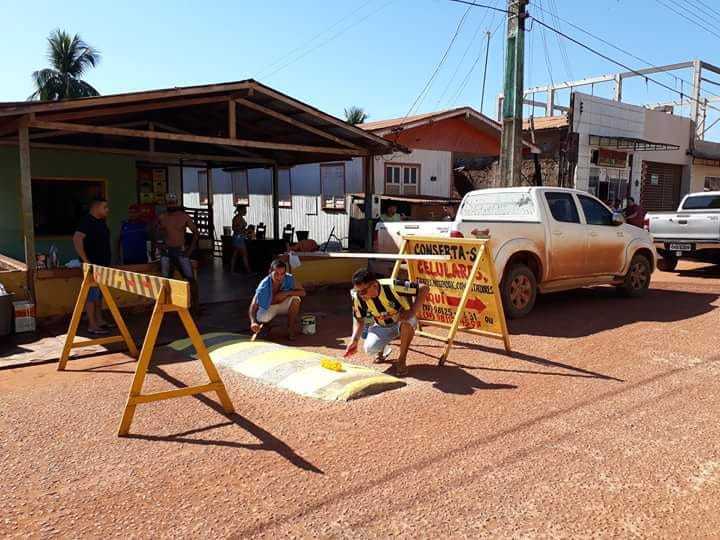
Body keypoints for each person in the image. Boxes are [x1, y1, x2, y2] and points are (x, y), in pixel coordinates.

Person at [344, 268, 429, 377]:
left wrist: (412, 311)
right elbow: (359, 318)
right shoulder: (358, 297)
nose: (361, 295)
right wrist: (354, 340)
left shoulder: (393, 285)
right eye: (358, 291)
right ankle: (384, 348)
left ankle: (402, 359)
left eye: (363, 291)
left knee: (407, 322)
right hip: (381, 325)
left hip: (401, 322)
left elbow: (424, 288)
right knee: (369, 349)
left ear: (374, 285)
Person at [73, 197, 113, 336]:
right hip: (92, 265)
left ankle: (100, 319)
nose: (107, 210)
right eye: (105, 207)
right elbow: (77, 239)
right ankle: (92, 324)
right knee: (91, 295)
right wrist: (85, 260)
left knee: (99, 295)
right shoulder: (87, 221)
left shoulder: (101, 221)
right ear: (96, 208)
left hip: (103, 265)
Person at [155, 194, 199, 309]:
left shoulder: (184, 217)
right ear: (166, 203)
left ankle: (196, 305)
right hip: (166, 252)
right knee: (166, 280)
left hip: (180, 251)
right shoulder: (162, 217)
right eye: (169, 202)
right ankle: (167, 304)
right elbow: (155, 233)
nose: (171, 204)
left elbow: (195, 233)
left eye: (173, 202)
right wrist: (159, 245)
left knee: (190, 279)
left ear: (177, 203)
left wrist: (190, 250)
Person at [249, 259, 306, 340]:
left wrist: (286, 293)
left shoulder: (289, 278)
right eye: (276, 274)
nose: (279, 277)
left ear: (285, 273)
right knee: (262, 318)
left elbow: (303, 292)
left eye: (282, 274)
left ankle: (290, 328)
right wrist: (253, 322)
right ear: (270, 272)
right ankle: (267, 324)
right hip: (269, 307)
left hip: (283, 305)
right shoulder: (263, 286)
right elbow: (253, 305)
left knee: (296, 299)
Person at [230, 205, 252, 274]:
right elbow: (235, 229)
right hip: (238, 238)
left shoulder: (239, 218)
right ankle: (248, 271)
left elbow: (239, 229)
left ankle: (232, 270)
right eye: (244, 210)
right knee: (244, 255)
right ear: (241, 210)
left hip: (238, 237)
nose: (245, 211)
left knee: (235, 254)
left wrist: (245, 231)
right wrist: (244, 230)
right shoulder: (237, 218)